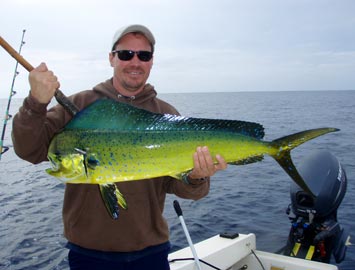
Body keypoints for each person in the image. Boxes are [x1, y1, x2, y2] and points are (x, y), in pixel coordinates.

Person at [12, 24, 227, 270]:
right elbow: (29, 150)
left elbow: (184, 188)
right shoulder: (80, 104)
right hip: (88, 255)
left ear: (151, 62)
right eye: (126, 54)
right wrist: (35, 103)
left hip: (151, 253)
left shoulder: (165, 114)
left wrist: (196, 178)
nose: (135, 62)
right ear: (111, 58)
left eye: (143, 55)